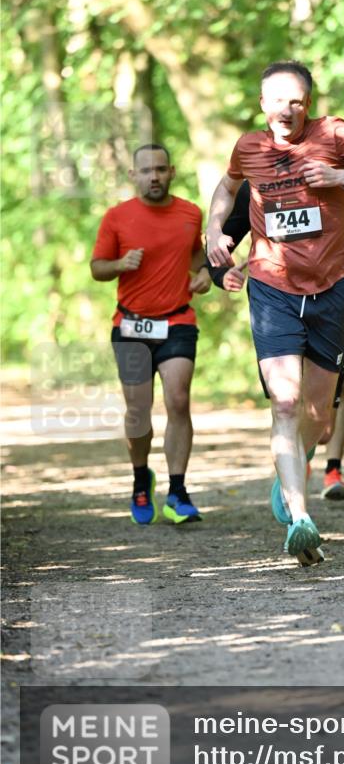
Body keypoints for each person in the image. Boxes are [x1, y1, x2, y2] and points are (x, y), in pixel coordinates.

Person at [206, 61, 344, 566]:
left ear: (308, 105)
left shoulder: (335, 135)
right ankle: (300, 517)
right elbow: (227, 188)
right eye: (276, 99)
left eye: (296, 100)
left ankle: (298, 462)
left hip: (331, 288)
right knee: (284, 402)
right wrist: (214, 233)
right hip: (272, 286)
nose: (286, 109)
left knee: (319, 419)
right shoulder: (249, 147)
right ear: (262, 105)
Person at [206, 179, 344, 501]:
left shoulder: (328, 180)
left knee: (322, 416)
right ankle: (292, 482)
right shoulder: (255, 185)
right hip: (276, 302)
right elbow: (222, 240)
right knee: (286, 400)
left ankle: (305, 454)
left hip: (331, 299)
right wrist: (220, 273)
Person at [90, 143, 211, 525]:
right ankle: (141, 479)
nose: (154, 176)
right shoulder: (117, 217)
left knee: (178, 400)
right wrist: (120, 263)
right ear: (133, 175)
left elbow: (197, 257)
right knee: (138, 411)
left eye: (160, 169)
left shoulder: (191, 213)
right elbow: (97, 268)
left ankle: (178, 491)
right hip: (130, 326)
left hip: (177, 320)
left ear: (172, 172)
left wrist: (206, 274)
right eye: (146, 171)